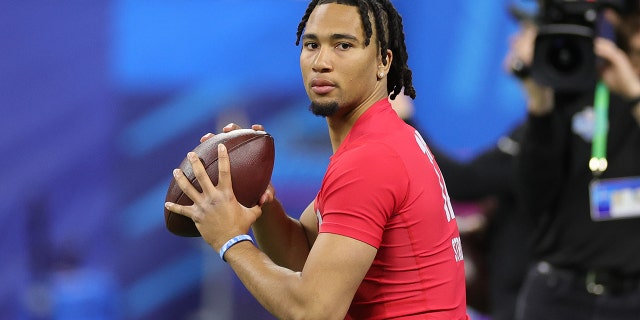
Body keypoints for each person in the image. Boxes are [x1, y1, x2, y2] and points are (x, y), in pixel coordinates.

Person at [164, 0, 470, 319]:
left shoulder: (369, 160)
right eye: (312, 45)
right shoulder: (382, 138)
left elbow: (314, 310)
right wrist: (260, 201)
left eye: (343, 45)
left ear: (383, 61)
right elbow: (304, 254)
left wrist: (230, 240)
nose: (321, 62)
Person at [511, 6, 640, 320]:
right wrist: (539, 104)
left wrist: (635, 95)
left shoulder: (628, 94)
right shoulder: (572, 90)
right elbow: (534, 197)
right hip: (559, 295)